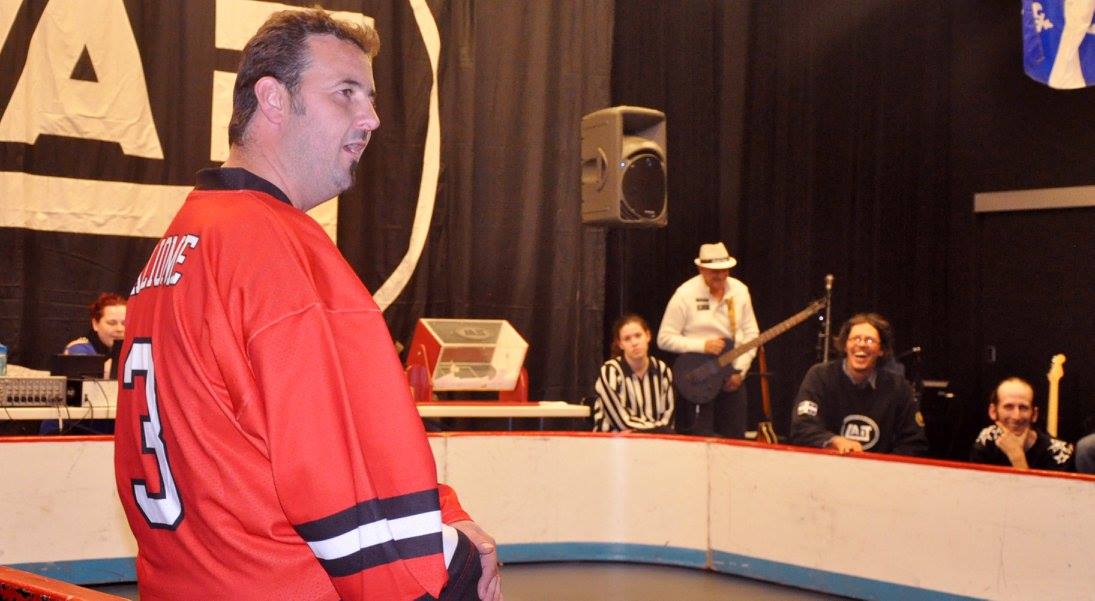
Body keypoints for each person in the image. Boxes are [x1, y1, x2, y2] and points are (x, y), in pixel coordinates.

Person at [112, 9, 500, 600]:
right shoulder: (277, 248)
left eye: (370, 98)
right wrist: (452, 569)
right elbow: (341, 486)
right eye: (346, 93)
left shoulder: (183, 240)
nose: (371, 118)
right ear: (273, 99)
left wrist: (444, 511)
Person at [657, 242, 759, 438]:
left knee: (734, 439)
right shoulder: (685, 294)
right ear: (701, 269)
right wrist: (702, 346)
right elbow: (664, 338)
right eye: (714, 271)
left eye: (724, 270)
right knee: (699, 438)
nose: (720, 275)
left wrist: (740, 370)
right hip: (699, 376)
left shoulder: (740, 291)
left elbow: (751, 334)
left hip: (731, 374)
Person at [790, 313, 927, 455]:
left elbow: (914, 442)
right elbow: (802, 427)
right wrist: (832, 441)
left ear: (881, 350)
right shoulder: (820, 376)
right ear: (845, 345)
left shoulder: (899, 388)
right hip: (827, 465)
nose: (861, 344)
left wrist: (882, 465)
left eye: (869, 340)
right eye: (855, 338)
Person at [970, 378, 1074, 471]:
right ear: (993, 411)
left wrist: (1017, 457)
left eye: (1023, 408)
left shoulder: (1059, 452)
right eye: (1008, 407)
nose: (1016, 416)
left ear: (1034, 414)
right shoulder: (987, 438)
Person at [593, 314, 675, 433]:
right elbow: (621, 421)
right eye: (627, 339)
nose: (634, 343)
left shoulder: (662, 370)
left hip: (654, 440)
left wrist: (646, 432)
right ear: (620, 344)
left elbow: (667, 419)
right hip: (614, 440)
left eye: (638, 335)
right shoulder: (610, 371)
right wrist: (654, 430)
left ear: (648, 336)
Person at [63, 292, 126, 361]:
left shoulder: (132, 350)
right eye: (112, 323)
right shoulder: (78, 349)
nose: (120, 329)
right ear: (95, 324)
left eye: (125, 324)